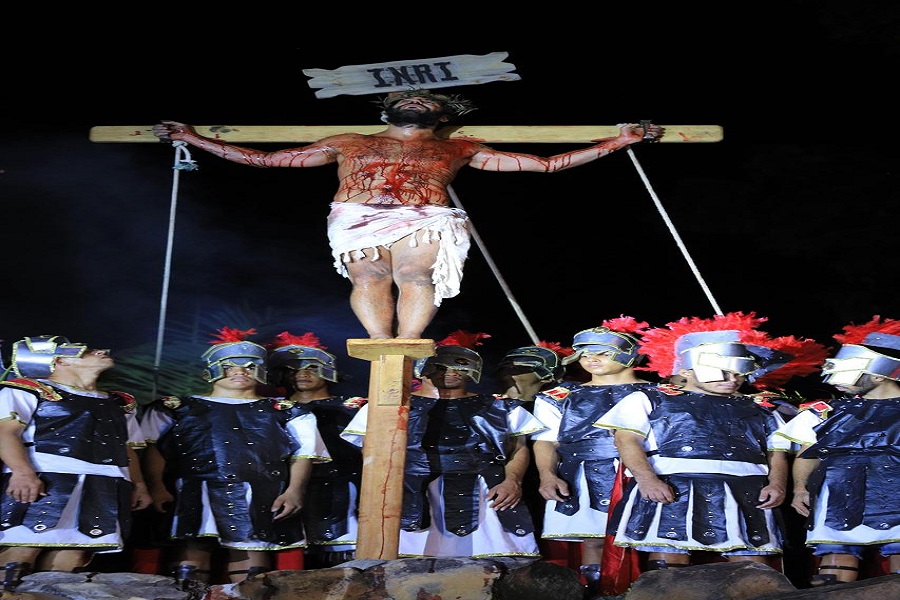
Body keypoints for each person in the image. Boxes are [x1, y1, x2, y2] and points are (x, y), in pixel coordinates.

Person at [152, 92, 663, 340]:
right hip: (357, 214)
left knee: (417, 276)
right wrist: (194, 139)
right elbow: (268, 160)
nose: (415, 100)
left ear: (441, 116)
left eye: (426, 101)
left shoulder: (459, 147)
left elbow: (546, 165)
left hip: (426, 215)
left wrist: (619, 142)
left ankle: (407, 343)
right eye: (405, 98)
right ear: (386, 112)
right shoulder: (349, 141)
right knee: (369, 276)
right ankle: (382, 345)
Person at [593, 311, 828, 572]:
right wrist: (647, 479)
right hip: (674, 485)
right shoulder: (649, 399)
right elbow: (627, 441)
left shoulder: (762, 408)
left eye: (738, 373)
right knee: (668, 565)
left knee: (752, 568)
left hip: (746, 489)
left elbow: (777, 450)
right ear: (686, 370)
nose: (732, 380)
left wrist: (777, 484)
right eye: (722, 373)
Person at [139, 327, 331, 585]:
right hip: (192, 489)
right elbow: (155, 449)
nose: (240, 372)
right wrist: (156, 486)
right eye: (229, 366)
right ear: (210, 371)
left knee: (252, 559)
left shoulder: (288, 411)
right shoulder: (176, 408)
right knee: (191, 554)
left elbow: (303, 455)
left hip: (260, 490)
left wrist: (295, 491)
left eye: (250, 366)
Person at [340, 332, 549, 557]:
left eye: (459, 365)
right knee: (409, 567)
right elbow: (372, 453)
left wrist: (512, 481)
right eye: (441, 365)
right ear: (423, 367)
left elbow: (518, 448)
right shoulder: (386, 407)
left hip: (486, 491)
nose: (450, 371)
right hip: (411, 491)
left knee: (496, 566)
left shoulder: (501, 406)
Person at [0, 335, 151, 588]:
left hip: (105, 484)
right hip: (46, 477)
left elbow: (125, 447)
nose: (101, 350)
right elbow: (6, 432)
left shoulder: (118, 403)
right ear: (60, 361)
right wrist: (22, 472)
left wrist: (139, 484)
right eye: (88, 351)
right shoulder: (27, 389)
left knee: (75, 553)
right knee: (22, 547)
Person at [530, 318, 654, 599]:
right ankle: (597, 593)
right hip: (583, 472)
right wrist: (547, 475)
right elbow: (546, 441)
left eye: (603, 353)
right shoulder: (559, 396)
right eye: (585, 354)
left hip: (646, 472)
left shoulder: (661, 394)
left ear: (631, 355)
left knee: (654, 539)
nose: (591, 359)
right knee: (594, 539)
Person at [776, 315, 900, 586]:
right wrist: (800, 489)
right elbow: (809, 451)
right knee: (833, 570)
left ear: (878, 375)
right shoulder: (826, 412)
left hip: (896, 493)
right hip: (838, 495)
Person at [266, 331, 366, 569]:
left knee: (344, 556)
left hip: (342, 488)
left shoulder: (353, 407)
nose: (302, 374)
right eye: (292, 369)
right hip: (280, 489)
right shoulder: (268, 409)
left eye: (311, 367)